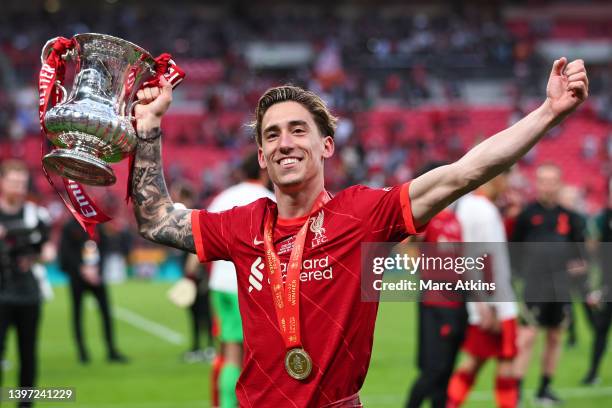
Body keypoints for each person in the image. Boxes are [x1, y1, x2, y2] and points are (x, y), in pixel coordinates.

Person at [131, 58, 588, 406]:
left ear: (326, 145)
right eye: (271, 136)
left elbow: (462, 173)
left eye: (297, 130)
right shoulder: (243, 224)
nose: (284, 142)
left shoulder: (364, 215)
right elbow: (155, 219)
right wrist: (149, 128)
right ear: (262, 155)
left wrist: (548, 112)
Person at [512, 164, 586, 405]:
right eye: (543, 180)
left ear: (559, 183)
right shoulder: (526, 215)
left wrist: (578, 265)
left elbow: (580, 253)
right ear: (537, 183)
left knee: (555, 338)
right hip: (534, 287)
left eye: (552, 180)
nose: (547, 185)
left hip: (561, 288)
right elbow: (514, 251)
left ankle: (544, 389)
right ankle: (517, 391)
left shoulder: (571, 217)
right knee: (527, 338)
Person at [207, 152, 275, 408]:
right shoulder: (268, 201)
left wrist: (191, 277)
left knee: (227, 352)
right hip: (246, 288)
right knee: (246, 357)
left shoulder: (222, 197)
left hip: (219, 286)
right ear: (263, 171)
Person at [447, 173, 519, 408]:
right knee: (505, 362)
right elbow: (486, 261)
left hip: (480, 299)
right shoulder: (485, 211)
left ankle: (451, 403)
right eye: (505, 178)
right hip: (496, 303)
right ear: (496, 179)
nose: (506, 185)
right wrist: (491, 306)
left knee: (474, 361)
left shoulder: (467, 205)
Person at [406, 162, 466, 408]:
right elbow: (408, 246)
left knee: (445, 374)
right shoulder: (426, 217)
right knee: (433, 371)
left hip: (456, 303)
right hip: (434, 302)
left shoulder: (454, 220)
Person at [0, 159, 51, 408]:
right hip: (1, 293)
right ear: (2, 182)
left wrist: (36, 255)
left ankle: (25, 404)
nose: (19, 187)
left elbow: (48, 251)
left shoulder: (35, 214)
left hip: (29, 294)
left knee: (28, 354)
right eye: (13, 181)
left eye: (22, 182)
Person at [58, 217, 128, 364]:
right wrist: (81, 269)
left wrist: (98, 270)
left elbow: (104, 248)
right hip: (78, 278)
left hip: (97, 276)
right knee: (78, 314)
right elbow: (66, 251)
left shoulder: (96, 225)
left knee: (105, 313)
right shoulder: (69, 226)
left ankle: (111, 350)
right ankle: (82, 352)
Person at [581, 178, 612, 385]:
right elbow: (590, 250)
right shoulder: (602, 219)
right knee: (601, 329)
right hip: (607, 284)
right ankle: (592, 372)